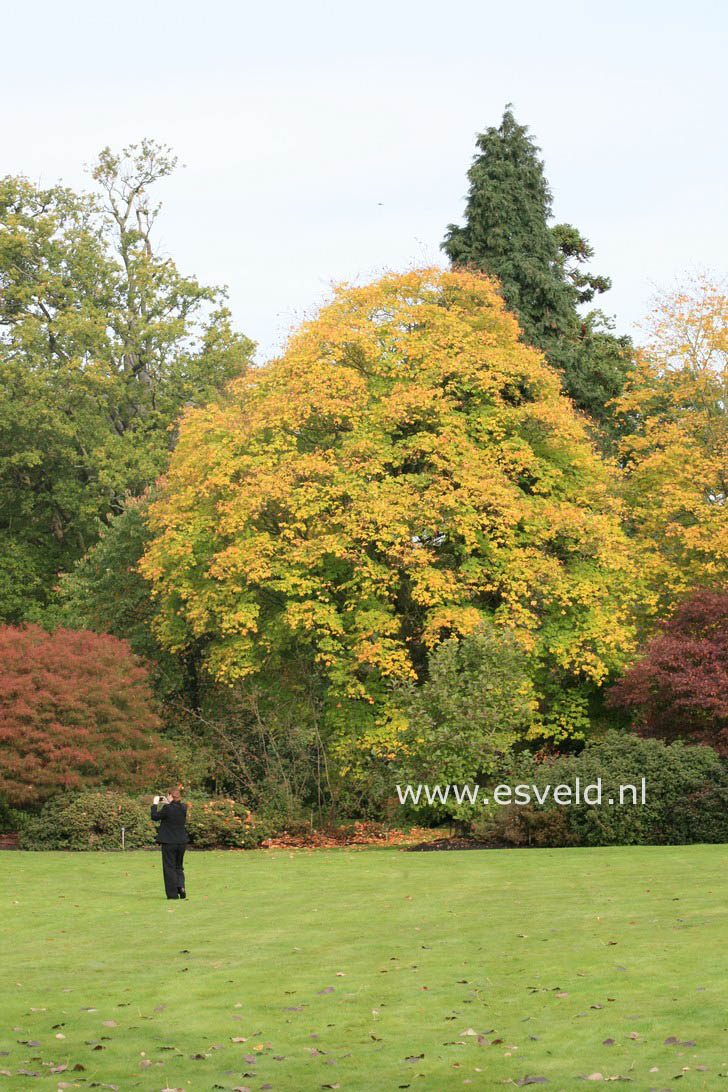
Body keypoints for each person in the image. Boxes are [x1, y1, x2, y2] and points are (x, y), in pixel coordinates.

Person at [151, 787, 189, 900]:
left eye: (168, 795)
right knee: (178, 867)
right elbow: (175, 807)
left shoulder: (167, 808)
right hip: (182, 842)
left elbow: (154, 816)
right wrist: (168, 802)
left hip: (169, 842)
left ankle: (172, 894)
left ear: (170, 796)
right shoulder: (184, 807)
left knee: (169, 868)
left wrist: (154, 804)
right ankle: (181, 887)